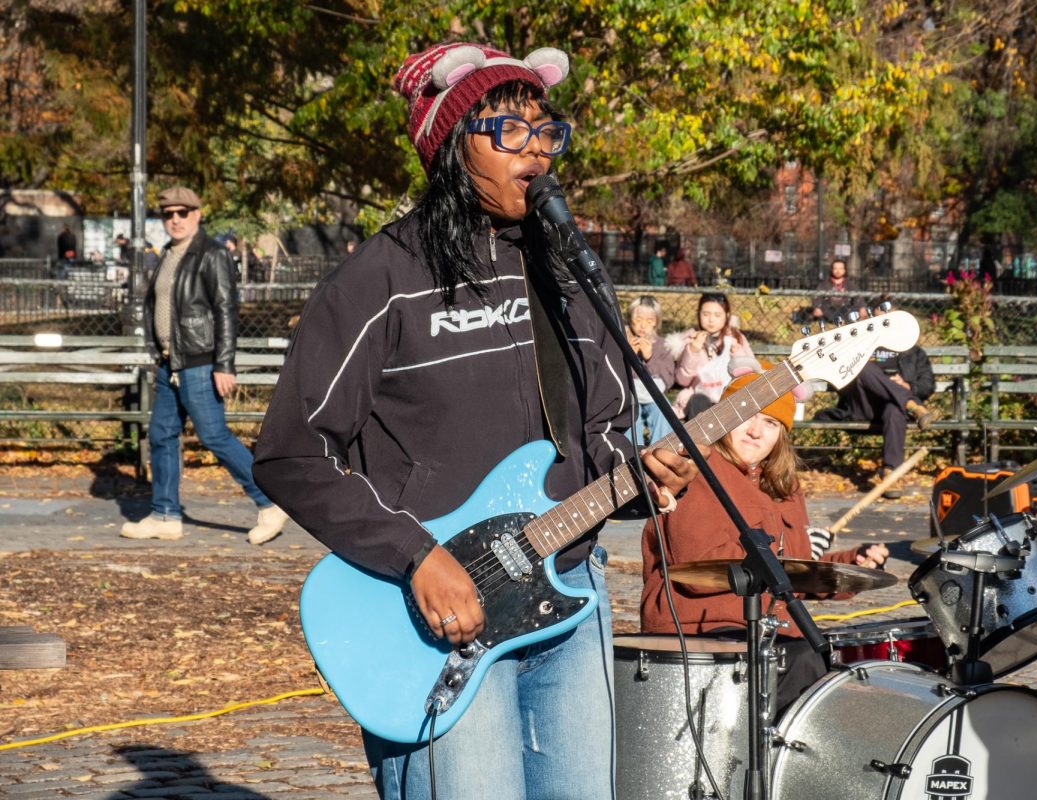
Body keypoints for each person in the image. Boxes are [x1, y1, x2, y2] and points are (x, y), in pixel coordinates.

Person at [249, 42, 698, 800]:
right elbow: (292, 454)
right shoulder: (381, 280)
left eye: (545, 131)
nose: (537, 151)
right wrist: (416, 556)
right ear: (452, 147)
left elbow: (605, 434)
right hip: (440, 616)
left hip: (569, 597)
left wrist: (647, 477)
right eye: (509, 131)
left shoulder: (571, 274)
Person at [641, 372, 890, 709]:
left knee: (835, 669)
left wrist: (851, 564)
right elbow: (700, 567)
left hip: (772, 632)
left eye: (771, 423)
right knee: (804, 662)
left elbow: (792, 571)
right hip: (704, 627)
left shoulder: (784, 486)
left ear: (782, 435)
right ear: (723, 417)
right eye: (746, 417)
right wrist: (783, 562)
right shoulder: (694, 467)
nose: (756, 431)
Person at [120, 186, 289, 546]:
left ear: (197, 214)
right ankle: (165, 515)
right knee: (161, 436)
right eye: (168, 214)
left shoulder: (211, 254)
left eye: (183, 212)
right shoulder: (167, 254)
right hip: (169, 364)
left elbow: (226, 310)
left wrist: (224, 364)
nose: (175, 219)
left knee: (214, 435)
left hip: (200, 363)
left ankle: (270, 503)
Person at [814, 341, 938, 499]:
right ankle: (911, 404)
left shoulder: (912, 351)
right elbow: (839, 376)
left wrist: (907, 385)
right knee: (862, 367)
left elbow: (927, 384)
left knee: (894, 410)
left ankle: (891, 475)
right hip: (864, 406)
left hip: (894, 410)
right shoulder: (860, 343)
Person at [669, 291, 756, 419]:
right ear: (699, 314)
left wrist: (736, 351)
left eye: (717, 315)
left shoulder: (736, 337)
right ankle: (699, 440)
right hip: (701, 397)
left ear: (726, 316)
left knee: (734, 403)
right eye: (706, 314)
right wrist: (692, 352)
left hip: (730, 395)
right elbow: (682, 380)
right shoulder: (690, 338)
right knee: (699, 401)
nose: (711, 320)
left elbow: (749, 375)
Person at [625, 295, 676, 447]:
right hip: (631, 393)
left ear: (656, 323)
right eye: (638, 319)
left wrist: (649, 358)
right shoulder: (622, 340)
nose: (643, 325)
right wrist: (629, 355)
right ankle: (633, 452)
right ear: (630, 318)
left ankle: (660, 450)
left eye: (649, 321)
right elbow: (616, 372)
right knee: (630, 414)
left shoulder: (662, 345)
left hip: (654, 394)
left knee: (664, 410)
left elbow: (668, 378)